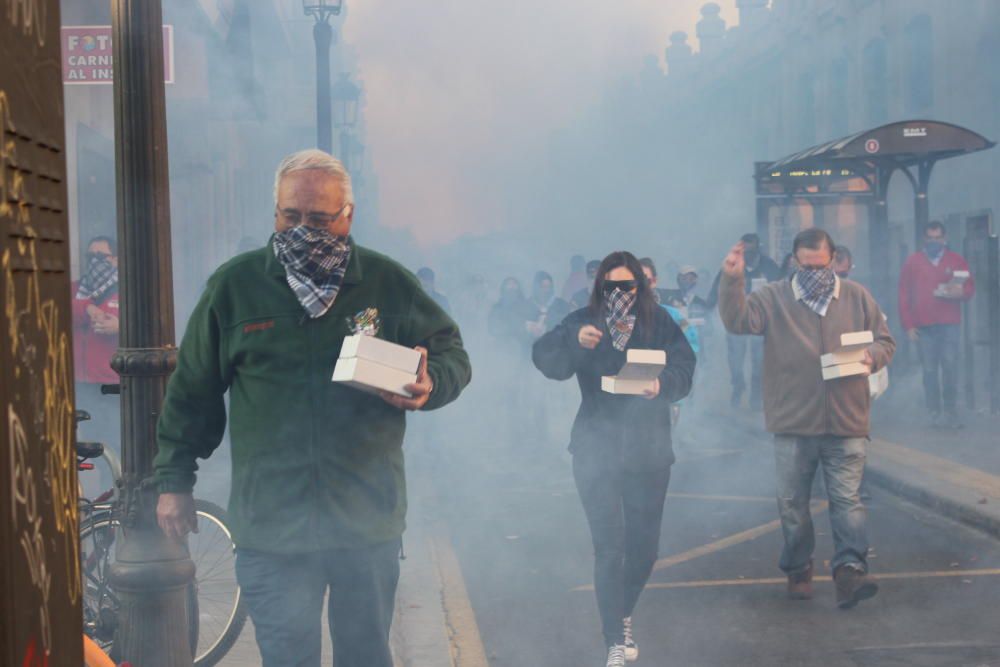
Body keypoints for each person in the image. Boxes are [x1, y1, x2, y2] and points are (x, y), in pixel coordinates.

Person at [153, 149, 472, 667]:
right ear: (275, 212)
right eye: (290, 217)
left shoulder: (387, 284)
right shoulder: (234, 288)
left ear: (348, 216)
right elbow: (193, 391)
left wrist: (431, 381)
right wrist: (173, 481)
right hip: (272, 523)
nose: (303, 230)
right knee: (285, 656)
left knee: (366, 655)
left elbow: (453, 353)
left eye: (319, 220)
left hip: (364, 519)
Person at [533, 251, 695, 667]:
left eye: (628, 287)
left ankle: (621, 613)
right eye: (611, 287)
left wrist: (662, 386)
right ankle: (614, 640)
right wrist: (573, 342)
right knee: (609, 548)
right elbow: (545, 359)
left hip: (649, 449)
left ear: (640, 286)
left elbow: (685, 367)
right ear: (599, 287)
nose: (619, 295)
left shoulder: (658, 321)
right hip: (595, 449)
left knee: (644, 550)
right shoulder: (583, 320)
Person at [718, 227, 895, 609]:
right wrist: (732, 281)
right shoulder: (772, 298)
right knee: (793, 504)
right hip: (794, 422)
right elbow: (737, 321)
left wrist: (872, 357)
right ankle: (799, 567)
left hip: (847, 418)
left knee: (847, 500)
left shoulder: (857, 296)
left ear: (833, 260)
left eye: (823, 264)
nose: (816, 271)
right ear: (794, 262)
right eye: (807, 265)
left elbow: (885, 340)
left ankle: (850, 569)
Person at [898, 221, 975, 429]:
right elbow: (904, 294)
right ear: (924, 239)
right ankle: (933, 412)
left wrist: (960, 292)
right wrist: (908, 325)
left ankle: (950, 412)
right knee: (930, 370)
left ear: (944, 238)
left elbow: (968, 288)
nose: (934, 242)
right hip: (923, 326)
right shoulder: (913, 262)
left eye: (937, 238)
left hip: (949, 324)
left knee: (950, 367)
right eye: (930, 238)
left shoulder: (956, 261)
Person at [709, 233, 781, 409]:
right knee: (735, 358)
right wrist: (708, 306)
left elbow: (780, 289)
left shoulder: (769, 266)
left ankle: (756, 395)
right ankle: (738, 386)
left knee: (759, 359)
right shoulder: (734, 263)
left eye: (752, 248)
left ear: (758, 248)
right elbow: (719, 287)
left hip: (761, 319)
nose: (748, 253)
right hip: (738, 317)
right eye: (745, 248)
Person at [72, 235, 122, 489]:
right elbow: (66, 305)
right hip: (84, 387)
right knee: (94, 450)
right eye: (90, 257)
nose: (95, 263)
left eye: (101, 257)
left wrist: (120, 326)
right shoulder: (79, 289)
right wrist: (90, 309)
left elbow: (149, 327)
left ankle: (118, 505)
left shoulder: (127, 290)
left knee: (116, 450)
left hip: (111, 388)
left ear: (115, 259)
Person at [528, 270, 573, 335]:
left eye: (549, 286)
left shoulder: (561, 304)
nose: (546, 290)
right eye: (543, 286)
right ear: (536, 287)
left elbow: (567, 323)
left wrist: (549, 322)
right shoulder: (527, 304)